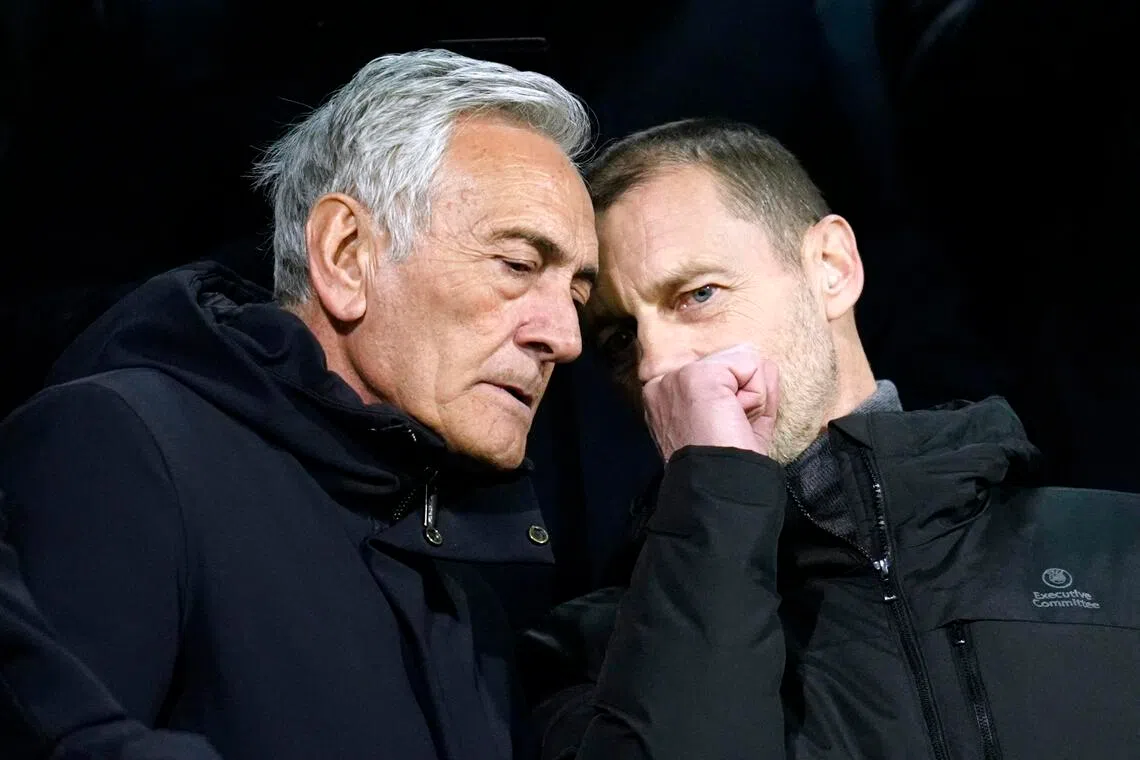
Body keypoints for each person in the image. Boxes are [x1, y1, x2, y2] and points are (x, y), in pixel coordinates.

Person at [0, 49, 604, 759]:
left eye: (578, 296)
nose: (564, 338)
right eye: (518, 266)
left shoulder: (466, 580)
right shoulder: (125, 447)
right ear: (346, 255)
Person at [528, 118, 1140, 758]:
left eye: (698, 294)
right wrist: (715, 489)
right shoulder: (597, 652)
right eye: (620, 339)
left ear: (832, 268)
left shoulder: (1116, 551)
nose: (655, 363)